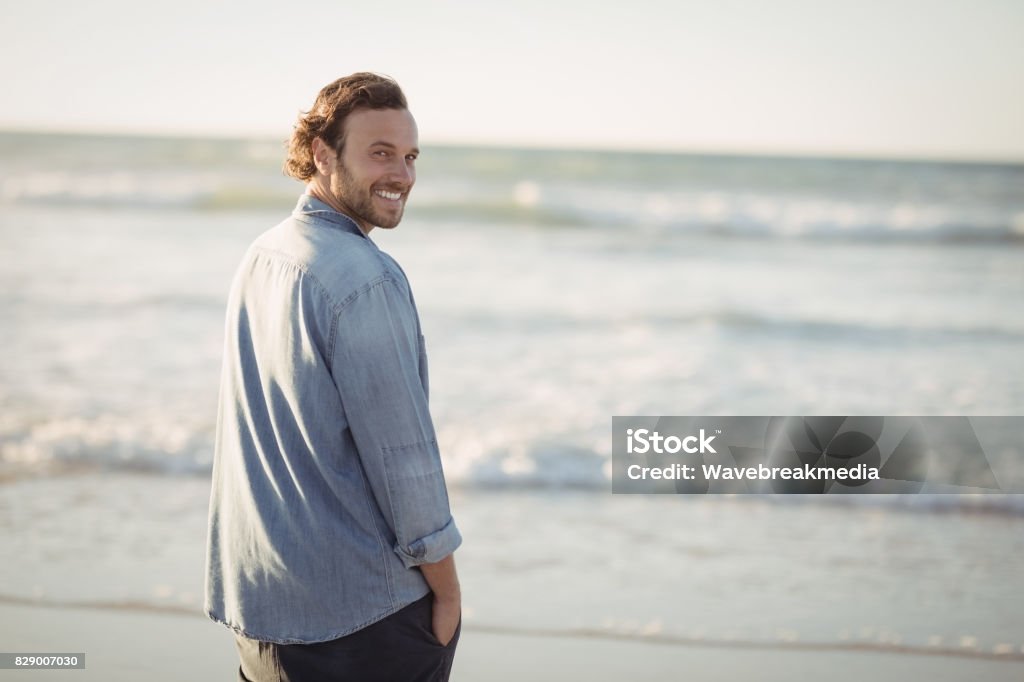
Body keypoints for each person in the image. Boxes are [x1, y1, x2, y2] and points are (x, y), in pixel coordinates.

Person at [204, 72, 462, 682]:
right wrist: (447, 593)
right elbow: (404, 460)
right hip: (363, 620)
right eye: (379, 153)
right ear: (322, 153)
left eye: (409, 156)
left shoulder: (262, 255)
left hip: (261, 610)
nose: (401, 174)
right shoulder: (366, 279)